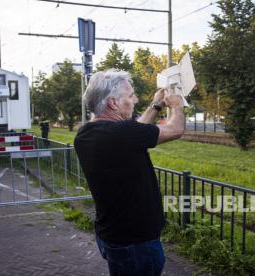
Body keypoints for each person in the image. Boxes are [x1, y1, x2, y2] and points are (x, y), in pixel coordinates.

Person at [74, 70, 185, 275]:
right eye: (130, 95)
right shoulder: (123, 133)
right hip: (136, 242)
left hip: (112, 235)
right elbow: (175, 129)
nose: (135, 99)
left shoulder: (85, 134)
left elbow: (135, 131)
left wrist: (156, 105)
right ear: (113, 103)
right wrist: (177, 105)